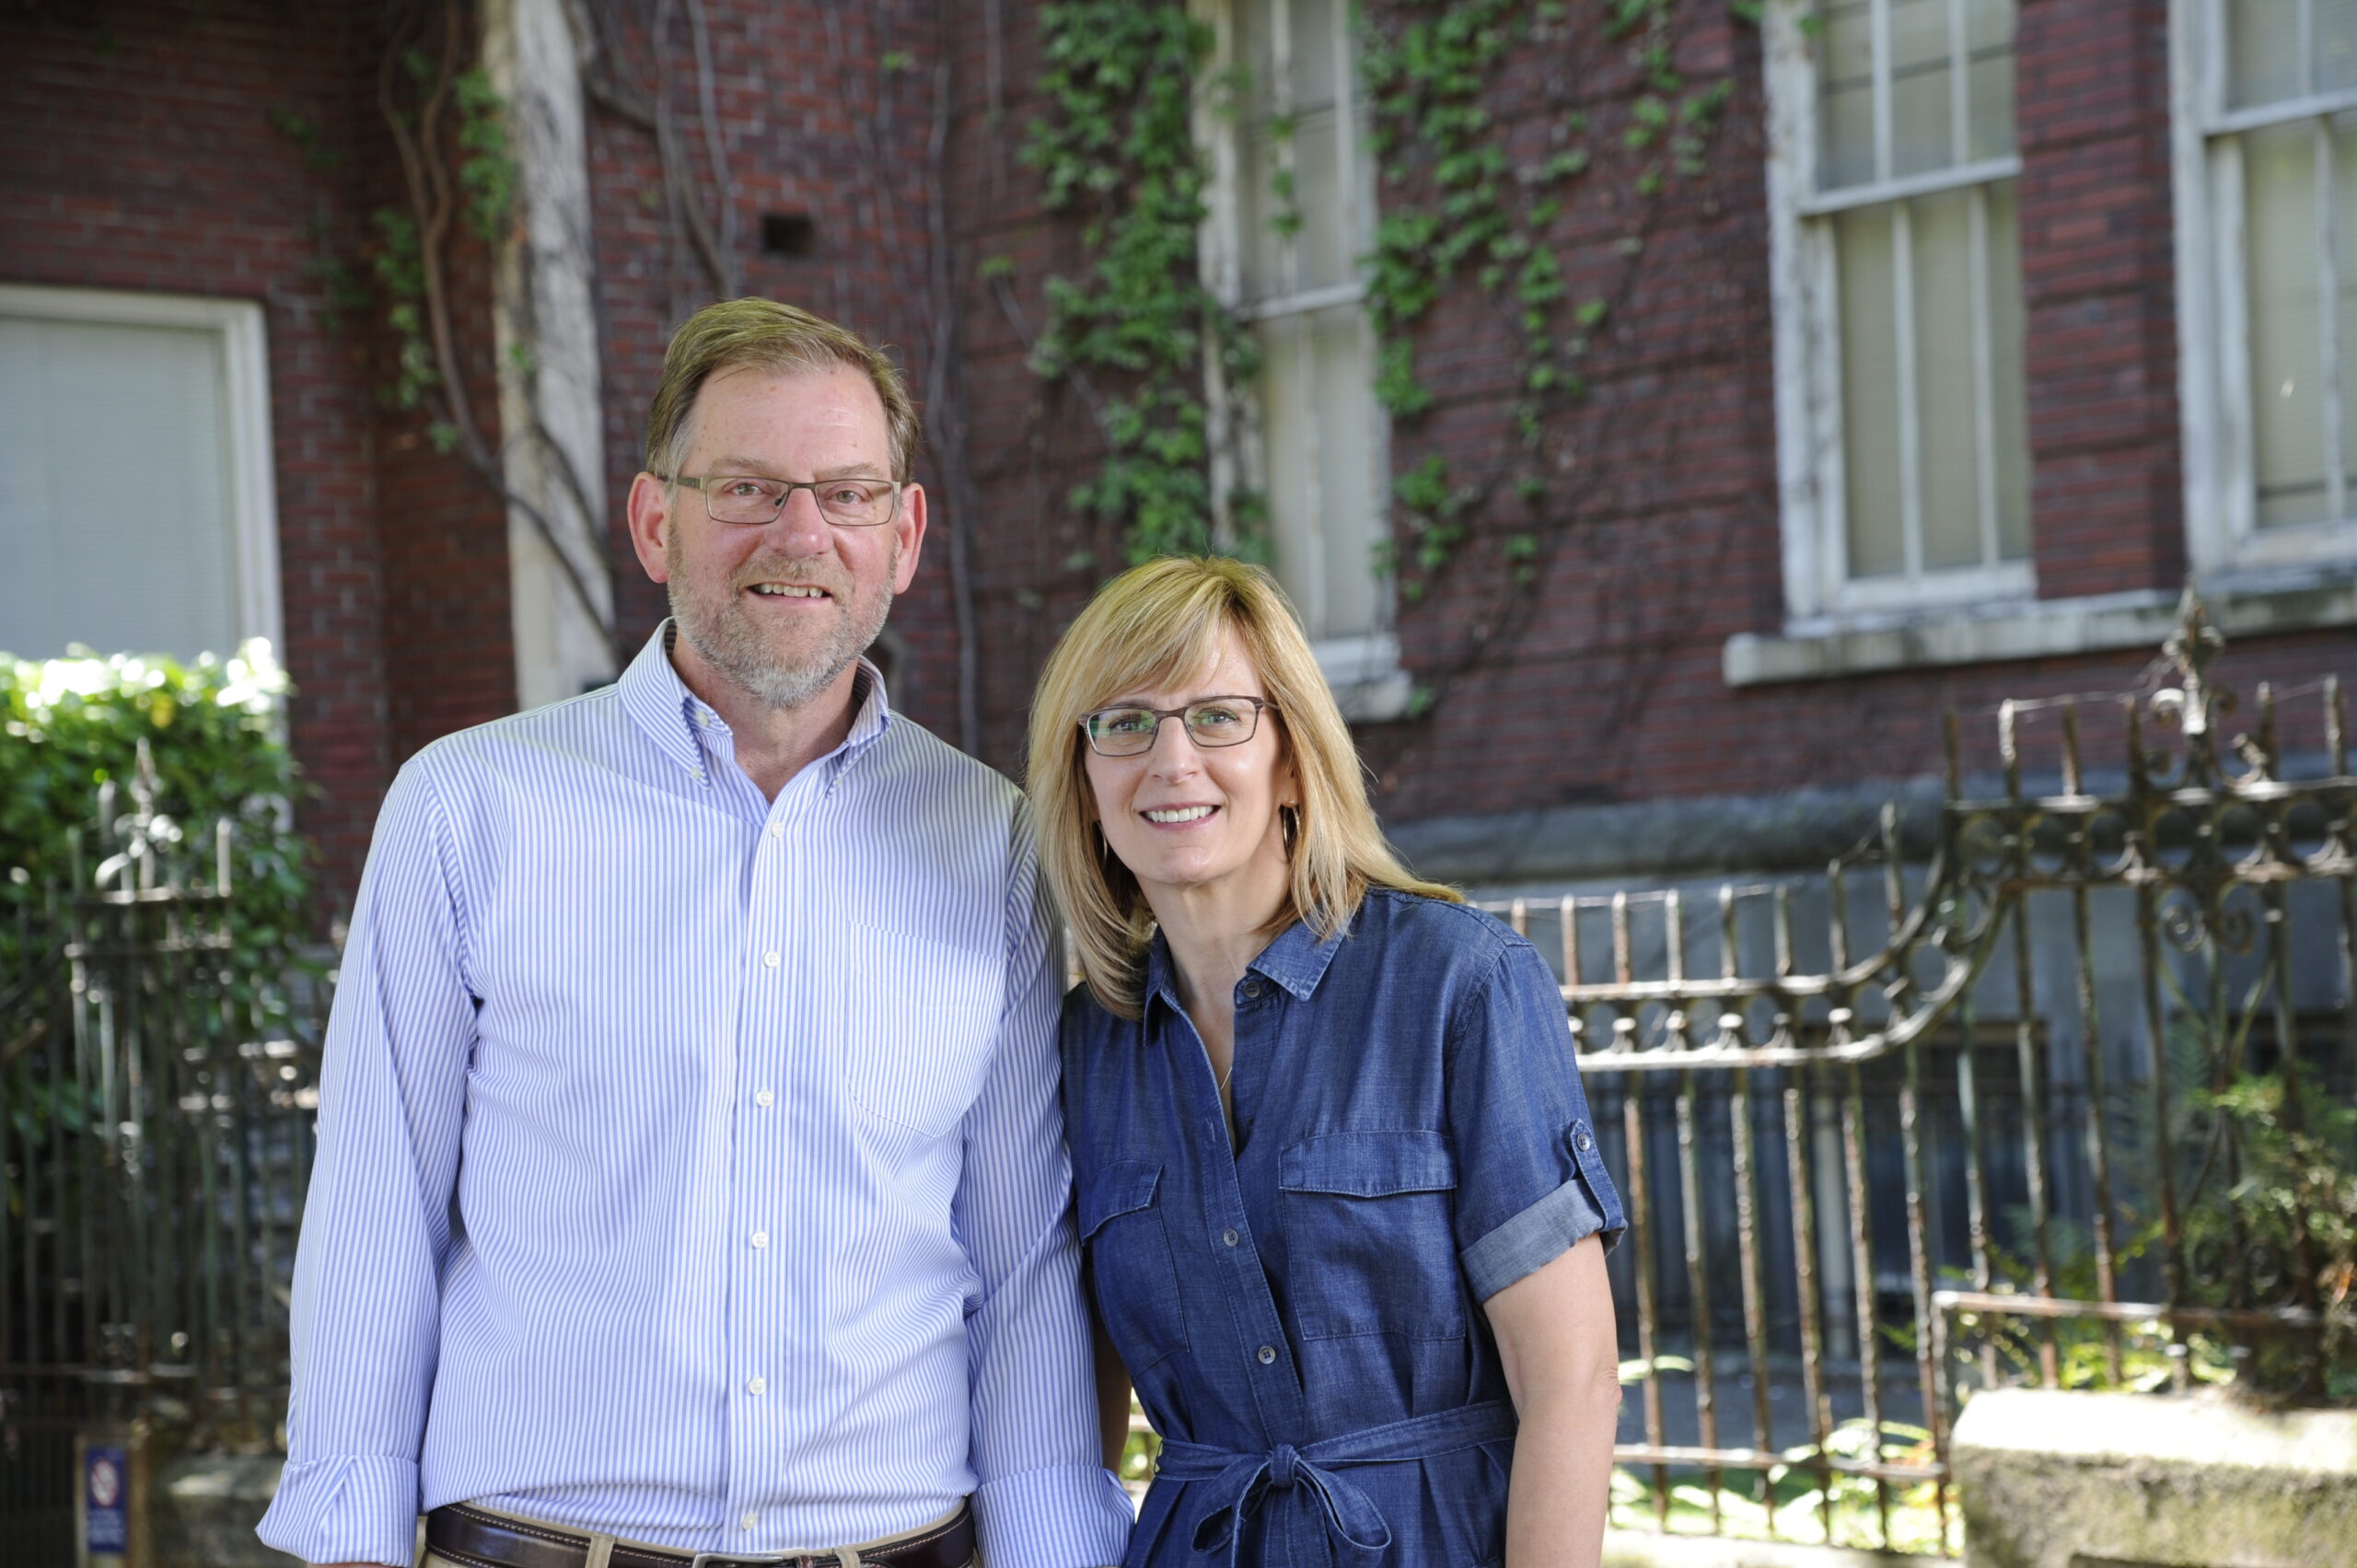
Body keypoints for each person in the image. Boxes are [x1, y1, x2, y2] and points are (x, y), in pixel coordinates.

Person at [258, 299, 1132, 1568]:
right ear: (654, 520)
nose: (801, 534)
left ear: (903, 534)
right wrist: (351, 1541)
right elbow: (373, 1210)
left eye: (845, 492)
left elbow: (1024, 1260)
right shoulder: (470, 808)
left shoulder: (987, 836)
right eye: (747, 488)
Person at [1027, 556, 1625, 1568]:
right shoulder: (1083, 1044)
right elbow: (1075, 1413)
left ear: (1294, 761)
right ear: (1084, 783)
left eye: (1218, 716)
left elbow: (1571, 1379)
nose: (1171, 760)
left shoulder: (1458, 983)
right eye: (1124, 723)